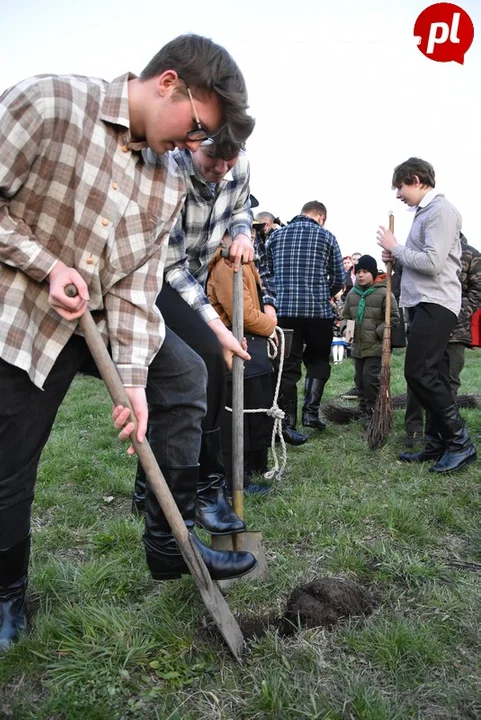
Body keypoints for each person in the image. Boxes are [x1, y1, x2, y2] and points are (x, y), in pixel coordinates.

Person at [0, 34, 258, 652]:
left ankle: (168, 543)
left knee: (184, 377)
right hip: (20, 315)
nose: (194, 147)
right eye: (197, 128)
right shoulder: (51, 103)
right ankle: (7, 591)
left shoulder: (167, 179)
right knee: (12, 465)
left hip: (96, 314)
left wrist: (136, 382)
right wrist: (43, 262)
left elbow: (138, 289)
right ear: (168, 83)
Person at [131, 134, 278, 527]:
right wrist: (215, 326)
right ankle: (206, 484)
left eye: (230, 161)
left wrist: (244, 232)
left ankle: (148, 486)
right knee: (209, 359)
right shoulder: (170, 173)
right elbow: (172, 267)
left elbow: (242, 206)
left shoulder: (238, 167)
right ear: (193, 143)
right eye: (213, 157)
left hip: (190, 279)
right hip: (153, 277)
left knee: (167, 383)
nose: (220, 170)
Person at [377, 157, 476, 473]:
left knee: (420, 372)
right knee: (430, 374)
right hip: (424, 303)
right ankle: (437, 444)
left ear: (417, 179)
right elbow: (427, 260)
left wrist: (398, 247)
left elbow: (433, 263)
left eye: (401, 187)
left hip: (436, 303)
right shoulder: (427, 213)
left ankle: (460, 443)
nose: (398, 195)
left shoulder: (441, 212)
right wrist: (398, 256)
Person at [207, 224, 276, 495]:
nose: (255, 235)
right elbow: (243, 313)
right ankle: (234, 479)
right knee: (236, 418)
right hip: (233, 343)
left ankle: (252, 468)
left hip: (250, 343)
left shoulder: (244, 260)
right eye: (251, 230)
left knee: (254, 408)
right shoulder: (226, 265)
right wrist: (270, 326)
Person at [267, 201, 344, 443]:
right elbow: (339, 277)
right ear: (321, 216)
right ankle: (311, 413)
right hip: (318, 313)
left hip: (285, 312)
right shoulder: (328, 237)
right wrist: (324, 293)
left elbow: (267, 273)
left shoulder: (276, 237)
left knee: (287, 366)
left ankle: (288, 423)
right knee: (319, 360)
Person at [403, 231, 481, 446]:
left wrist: (455, 311)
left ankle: (441, 434)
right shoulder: (424, 252)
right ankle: (414, 430)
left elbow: (477, 290)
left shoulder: (471, 255)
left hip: (455, 331)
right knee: (417, 377)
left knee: (448, 381)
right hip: (424, 325)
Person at [341, 255, 399, 418]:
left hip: (375, 346)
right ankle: (363, 408)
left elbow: (394, 318)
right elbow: (345, 316)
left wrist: (377, 332)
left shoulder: (383, 293)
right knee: (359, 380)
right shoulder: (352, 293)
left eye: (365, 271)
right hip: (358, 345)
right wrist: (346, 328)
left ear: (373, 273)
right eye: (358, 271)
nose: (360, 275)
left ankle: (374, 410)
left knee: (370, 379)